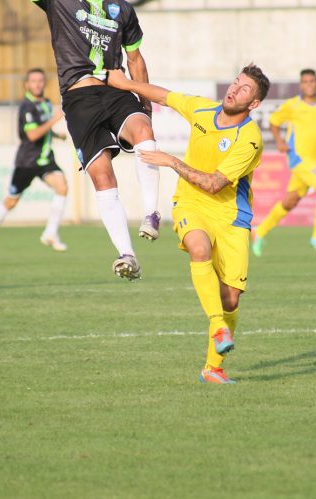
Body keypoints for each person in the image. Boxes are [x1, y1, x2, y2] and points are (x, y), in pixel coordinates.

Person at [2, 0, 161, 281]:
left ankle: (152, 213)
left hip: (118, 91)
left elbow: (135, 58)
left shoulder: (122, 9)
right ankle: (126, 254)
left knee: (143, 133)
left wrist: (147, 103)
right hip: (80, 101)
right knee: (102, 175)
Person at [107, 64, 271, 385]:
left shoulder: (249, 139)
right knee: (199, 247)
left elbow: (214, 184)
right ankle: (217, 325)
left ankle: (213, 368)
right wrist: (126, 82)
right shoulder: (202, 108)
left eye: (244, 90)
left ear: (253, 104)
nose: (234, 90)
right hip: (190, 204)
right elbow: (165, 97)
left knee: (231, 299)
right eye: (235, 82)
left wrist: (171, 161)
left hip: (231, 216)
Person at [252, 68, 316, 256]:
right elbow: (274, 121)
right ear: (301, 85)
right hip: (299, 159)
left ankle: (260, 231)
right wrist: (279, 141)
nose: (309, 85)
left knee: (290, 201)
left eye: (312, 81)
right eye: (305, 82)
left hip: (315, 162)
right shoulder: (293, 105)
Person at [0, 68, 69, 256]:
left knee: (62, 186)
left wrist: (56, 135)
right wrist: (55, 120)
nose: (37, 84)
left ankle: (50, 233)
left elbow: (42, 129)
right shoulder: (26, 107)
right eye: (33, 81)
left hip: (45, 159)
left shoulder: (44, 103)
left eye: (40, 80)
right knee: (11, 201)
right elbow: (33, 134)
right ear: (26, 85)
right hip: (27, 162)